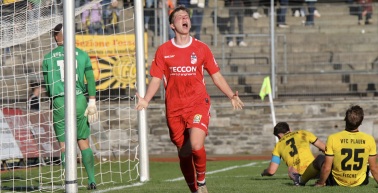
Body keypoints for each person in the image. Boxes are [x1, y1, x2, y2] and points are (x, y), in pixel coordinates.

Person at [135, 5, 244, 193]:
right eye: (180, 17)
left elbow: (215, 75)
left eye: (187, 16)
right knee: (184, 154)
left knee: (195, 144)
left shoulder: (201, 48)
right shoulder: (163, 50)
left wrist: (230, 95)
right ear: (172, 25)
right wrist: (145, 99)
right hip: (174, 108)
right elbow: (155, 79)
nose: (185, 19)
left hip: (197, 103)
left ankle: (201, 181)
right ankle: (194, 189)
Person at [42, 23, 98, 190]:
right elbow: (91, 79)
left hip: (59, 100)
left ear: (55, 37)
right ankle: (91, 180)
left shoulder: (48, 58)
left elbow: (47, 85)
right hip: (79, 99)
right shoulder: (82, 55)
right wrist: (92, 102)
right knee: (83, 142)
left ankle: (71, 182)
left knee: (65, 145)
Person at [315, 105, 378, 187]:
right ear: (361, 122)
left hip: (336, 182)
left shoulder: (333, 138)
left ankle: (300, 181)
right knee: (367, 163)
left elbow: (327, 168)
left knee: (320, 158)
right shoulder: (369, 139)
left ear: (345, 119)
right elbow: (374, 168)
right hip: (361, 182)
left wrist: (320, 183)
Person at [261, 122, 326, 186]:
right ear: (289, 129)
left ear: (279, 135)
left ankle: (297, 178)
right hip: (316, 171)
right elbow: (325, 148)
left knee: (291, 168)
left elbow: (271, 171)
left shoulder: (278, 145)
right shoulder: (303, 133)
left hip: (300, 174)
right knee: (320, 158)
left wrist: (264, 172)